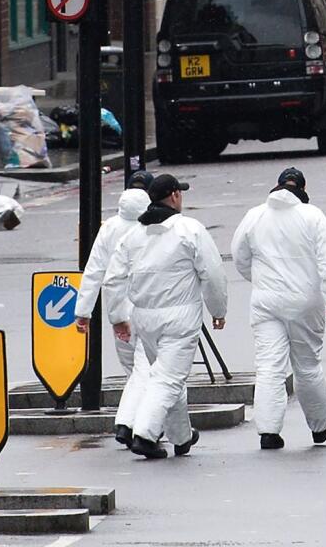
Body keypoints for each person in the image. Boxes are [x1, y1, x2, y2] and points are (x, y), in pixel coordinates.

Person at [109, 173, 227, 459]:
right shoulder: (189, 229)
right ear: (174, 196)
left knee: (166, 376)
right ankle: (145, 434)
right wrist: (218, 310)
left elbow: (113, 278)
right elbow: (212, 274)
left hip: (143, 318)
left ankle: (181, 436)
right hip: (180, 316)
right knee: (168, 379)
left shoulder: (133, 234)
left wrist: (117, 316)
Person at [232, 167, 326, 450]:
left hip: (265, 300)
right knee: (307, 365)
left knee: (269, 366)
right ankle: (320, 424)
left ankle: (268, 431)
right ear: (303, 189)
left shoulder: (255, 215)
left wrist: (257, 279)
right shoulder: (312, 216)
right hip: (305, 301)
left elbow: (239, 255)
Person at [75, 171, 155, 447]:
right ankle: (130, 423)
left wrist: (83, 311)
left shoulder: (109, 227)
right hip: (146, 307)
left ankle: (140, 425)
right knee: (150, 372)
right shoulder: (151, 228)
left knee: (134, 371)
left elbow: (94, 270)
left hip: (117, 311)